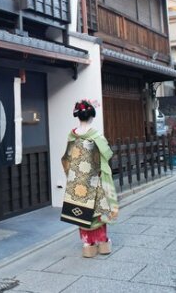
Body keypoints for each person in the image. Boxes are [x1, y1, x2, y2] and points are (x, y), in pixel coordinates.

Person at [61, 99, 119, 258]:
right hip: (96, 178)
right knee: (98, 211)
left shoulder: (71, 135)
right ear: (91, 116)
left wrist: (73, 175)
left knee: (82, 212)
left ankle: (88, 244)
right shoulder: (96, 135)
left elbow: (66, 158)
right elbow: (107, 154)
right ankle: (103, 242)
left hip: (79, 180)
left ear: (78, 116)